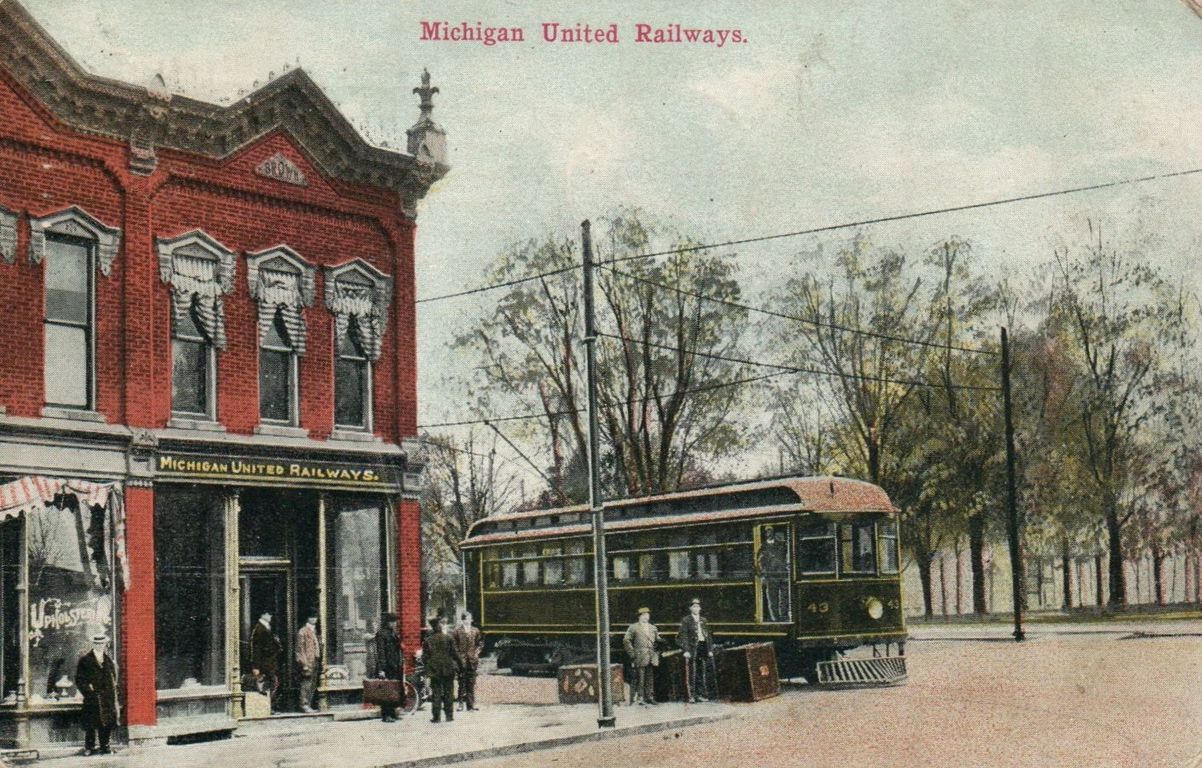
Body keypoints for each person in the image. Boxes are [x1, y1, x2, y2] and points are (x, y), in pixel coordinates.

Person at [75, 633, 118, 756]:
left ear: (105, 645)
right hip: (92, 697)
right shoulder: (85, 660)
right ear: (93, 644)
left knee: (106, 722)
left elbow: (113, 677)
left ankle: (105, 746)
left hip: (106, 697)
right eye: (98, 643)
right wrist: (88, 690)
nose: (100, 646)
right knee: (91, 723)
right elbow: (79, 679)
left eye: (102, 644)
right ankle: (89, 747)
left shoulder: (108, 660)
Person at [421, 614, 461, 723]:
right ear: (440, 626)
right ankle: (449, 716)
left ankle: (436, 717)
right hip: (448, 669)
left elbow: (424, 657)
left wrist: (428, 666)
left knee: (436, 693)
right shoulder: (448, 638)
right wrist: (461, 666)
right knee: (449, 692)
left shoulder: (428, 640)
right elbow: (455, 654)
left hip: (434, 670)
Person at [676, 598, 715, 703]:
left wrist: (710, 649)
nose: (696, 608)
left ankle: (700, 694)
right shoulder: (686, 620)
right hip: (692, 648)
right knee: (691, 672)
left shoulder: (703, 620)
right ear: (690, 608)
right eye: (694, 606)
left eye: (698, 606)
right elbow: (683, 636)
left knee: (701, 671)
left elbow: (708, 636)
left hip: (702, 646)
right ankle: (691, 696)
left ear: (700, 608)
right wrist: (686, 650)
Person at [623, 607, 660, 705]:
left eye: (647, 615)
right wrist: (632, 653)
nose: (646, 617)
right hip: (639, 656)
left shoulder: (653, 628)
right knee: (640, 677)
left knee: (650, 677)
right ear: (639, 617)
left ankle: (649, 697)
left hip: (651, 655)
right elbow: (626, 640)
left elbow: (657, 640)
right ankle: (640, 697)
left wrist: (659, 648)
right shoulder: (633, 627)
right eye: (643, 615)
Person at [371, 613, 403, 722]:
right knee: (386, 691)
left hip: (394, 666)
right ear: (387, 622)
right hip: (387, 666)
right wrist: (381, 669)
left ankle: (393, 713)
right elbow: (380, 652)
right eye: (392, 622)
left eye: (395, 622)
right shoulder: (381, 634)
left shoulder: (392, 633)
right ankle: (386, 715)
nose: (395, 624)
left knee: (393, 690)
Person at [756, 525, 790, 622]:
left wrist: (787, 568)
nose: (769, 533)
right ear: (765, 534)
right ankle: (775, 619)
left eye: (771, 531)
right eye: (767, 531)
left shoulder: (781, 544)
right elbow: (759, 562)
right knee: (772, 599)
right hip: (770, 577)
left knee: (784, 597)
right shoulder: (763, 547)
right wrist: (762, 575)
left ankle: (784, 616)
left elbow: (787, 556)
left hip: (783, 575)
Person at [249, 611, 282, 710]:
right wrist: (256, 666)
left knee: (271, 683)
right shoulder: (259, 629)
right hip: (265, 663)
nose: (271, 616)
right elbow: (256, 649)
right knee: (274, 682)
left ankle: (268, 707)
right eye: (269, 614)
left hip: (270, 662)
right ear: (262, 615)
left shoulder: (266, 627)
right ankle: (268, 706)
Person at [451, 612, 483, 711]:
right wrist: (458, 657)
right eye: (466, 619)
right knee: (461, 683)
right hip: (461, 660)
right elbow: (454, 645)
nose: (468, 620)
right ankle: (460, 704)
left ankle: (471, 705)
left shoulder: (475, 630)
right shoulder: (457, 631)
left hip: (472, 660)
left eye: (470, 618)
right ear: (463, 620)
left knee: (471, 682)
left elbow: (480, 643)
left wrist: (477, 653)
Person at [295, 614, 320, 712]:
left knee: (312, 683)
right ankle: (304, 704)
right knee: (306, 684)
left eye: (315, 617)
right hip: (307, 662)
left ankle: (308, 704)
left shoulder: (315, 631)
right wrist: (304, 664)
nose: (314, 619)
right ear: (307, 618)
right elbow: (299, 650)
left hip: (315, 660)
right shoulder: (302, 631)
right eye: (311, 617)